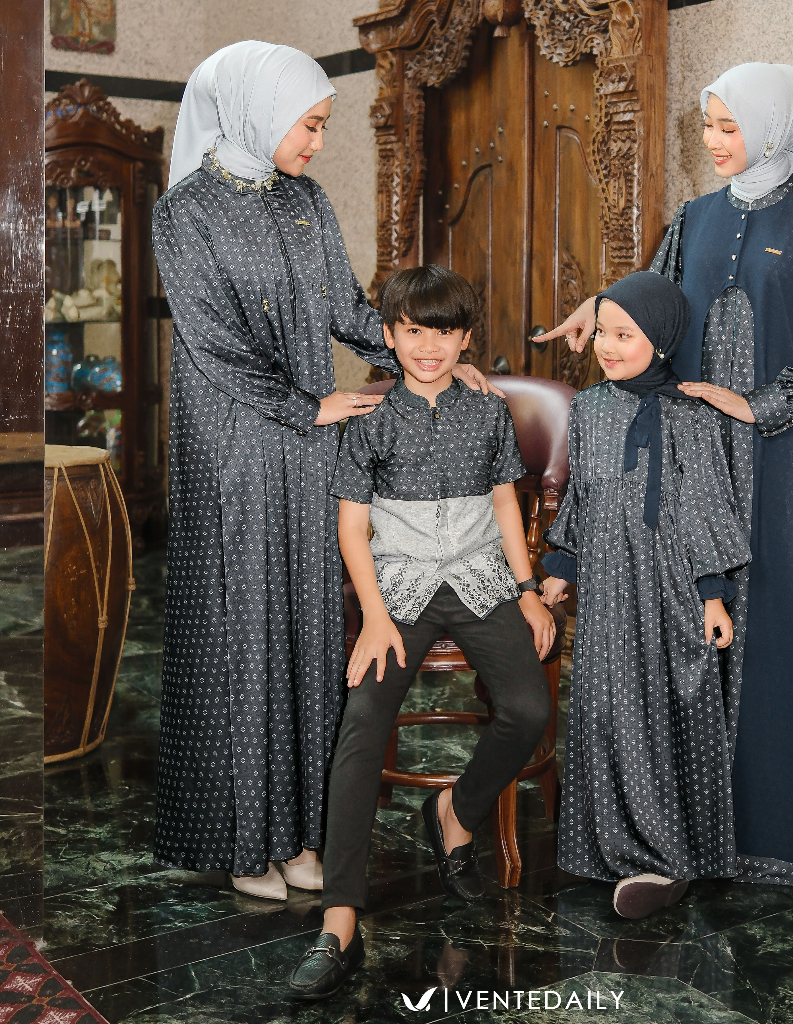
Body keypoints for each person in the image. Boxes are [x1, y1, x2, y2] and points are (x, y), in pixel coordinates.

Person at [536, 63, 793, 921]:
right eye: (708, 124)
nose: (711, 141)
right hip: (692, 459)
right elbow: (655, 308)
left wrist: (761, 405)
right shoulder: (693, 219)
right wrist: (599, 306)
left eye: (726, 126)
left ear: (773, 126)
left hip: (791, 463)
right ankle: (692, 839)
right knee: (690, 633)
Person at [153, 42, 494, 900]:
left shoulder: (304, 200)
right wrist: (306, 405)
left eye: (320, 126)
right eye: (307, 126)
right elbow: (212, 342)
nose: (314, 142)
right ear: (260, 114)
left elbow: (348, 308)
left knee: (306, 633)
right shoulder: (183, 211)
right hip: (233, 447)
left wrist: (429, 351)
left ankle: (301, 833)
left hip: (307, 443)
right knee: (244, 633)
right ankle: (245, 843)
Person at [288, 265, 554, 1000]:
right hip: (398, 589)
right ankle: (339, 922)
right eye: (412, 332)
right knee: (362, 725)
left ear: (465, 339)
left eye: (444, 333)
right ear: (389, 335)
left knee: (530, 709)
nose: (428, 347)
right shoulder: (369, 420)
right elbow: (352, 528)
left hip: (478, 578)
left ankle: (455, 812)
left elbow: (505, 504)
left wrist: (527, 590)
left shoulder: (488, 412)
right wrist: (375, 616)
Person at [538, 272, 750, 921]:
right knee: (608, 708)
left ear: (659, 340)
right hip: (607, 589)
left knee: (662, 710)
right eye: (602, 332)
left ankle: (669, 857)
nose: (606, 346)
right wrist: (561, 565)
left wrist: (712, 596)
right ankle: (613, 848)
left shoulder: (691, 414)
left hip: (669, 589)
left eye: (623, 335)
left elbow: (706, 506)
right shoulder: (587, 408)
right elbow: (581, 496)